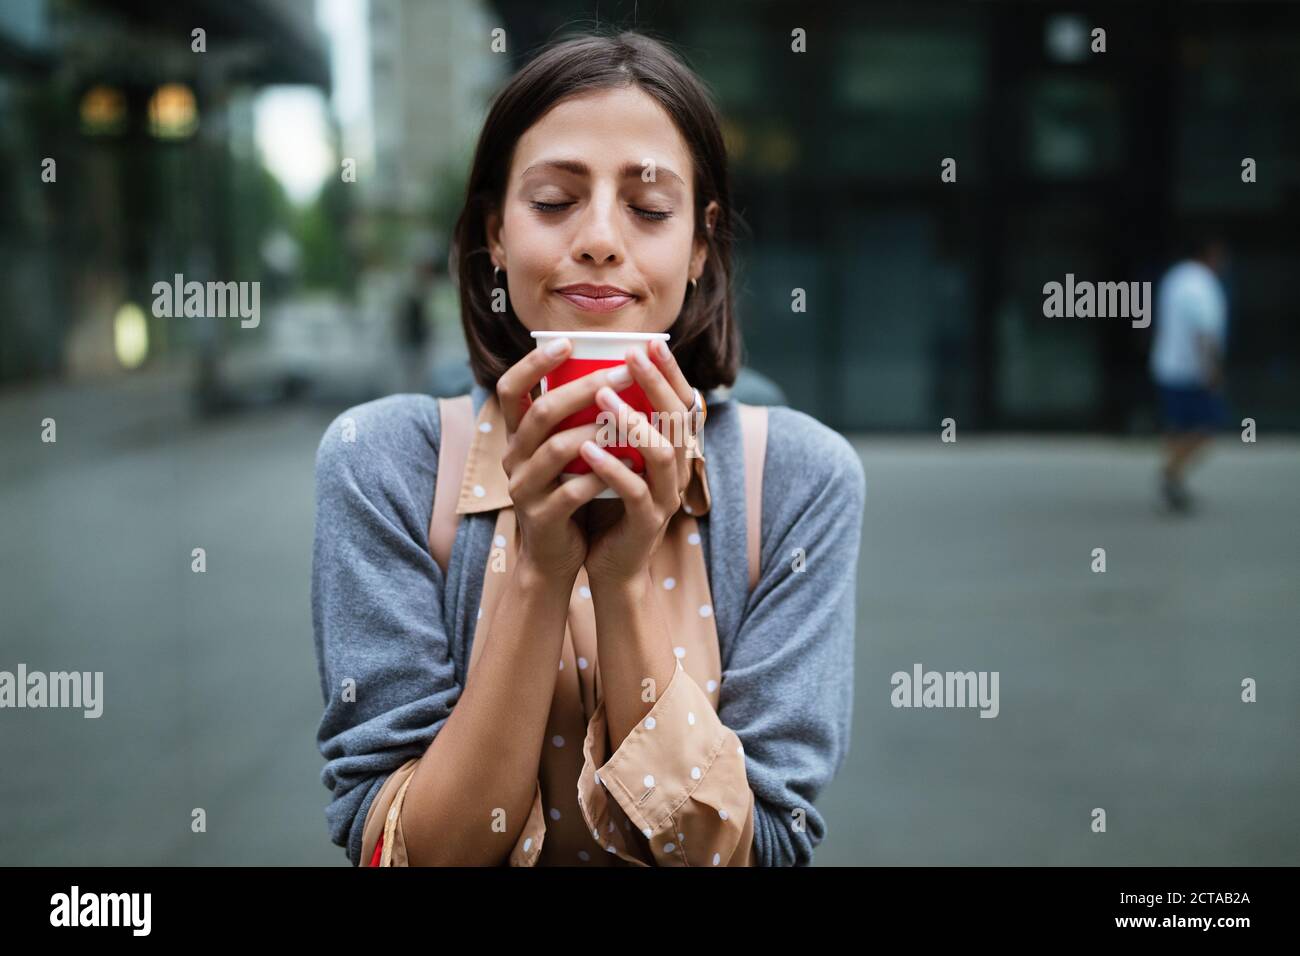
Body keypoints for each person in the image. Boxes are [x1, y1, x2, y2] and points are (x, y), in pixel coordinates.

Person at [311, 30, 866, 867]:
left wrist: (623, 579)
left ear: (700, 245)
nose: (602, 237)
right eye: (553, 201)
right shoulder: (381, 463)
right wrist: (539, 571)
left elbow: (760, 851)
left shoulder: (802, 482)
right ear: (495, 233)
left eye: (648, 209)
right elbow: (409, 852)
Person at [1149, 237, 1229, 513]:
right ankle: (1171, 474)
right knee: (1207, 426)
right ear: (1210, 255)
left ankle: (1175, 479)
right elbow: (1204, 331)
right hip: (1190, 370)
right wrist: (1211, 370)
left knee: (1179, 427)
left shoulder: (1175, 278)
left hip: (1167, 364)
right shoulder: (1201, 284)